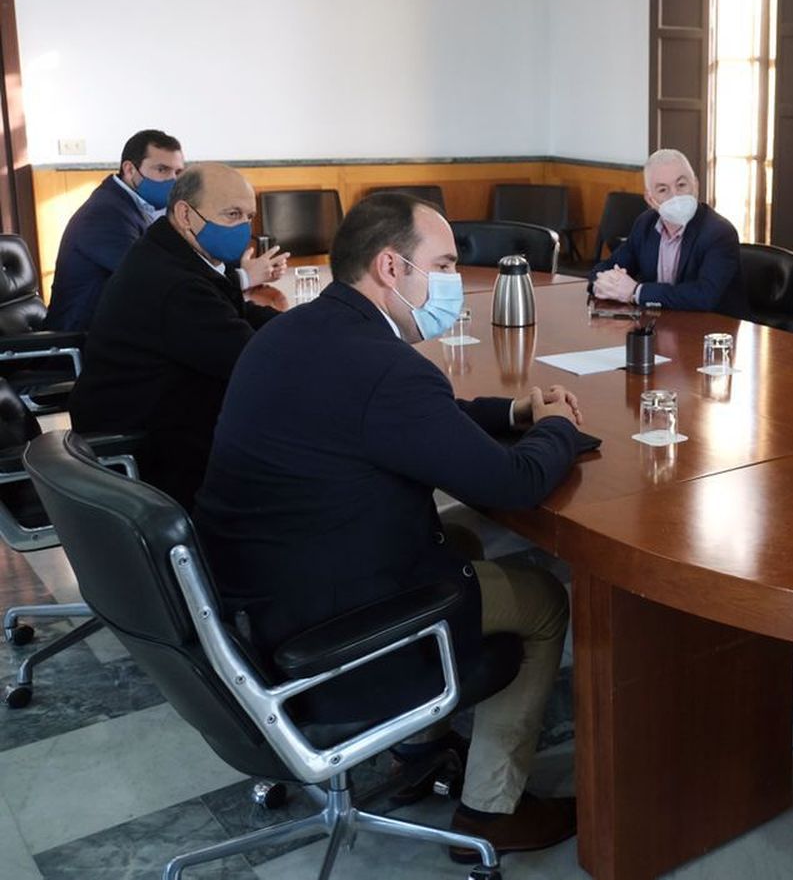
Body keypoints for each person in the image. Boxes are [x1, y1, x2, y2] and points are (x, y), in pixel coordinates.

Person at [194, 193, 584, 858]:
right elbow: (510, 482)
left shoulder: (296, 331)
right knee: (543, 597)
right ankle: (493, 809)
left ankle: (419, 741)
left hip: (260, 597)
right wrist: (557, 429)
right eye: (443, 263)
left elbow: (424, 415)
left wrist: (513, 410)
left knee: (458, 535)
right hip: (327, 628)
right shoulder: (386, 368)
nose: (453, 281)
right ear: (390, 268)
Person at [69, 163, 282, 509]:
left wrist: (305, 323)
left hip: (165, 413)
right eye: (231, 214)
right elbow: (251, 359)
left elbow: (239, 315)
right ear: (185, 214)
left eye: (248, 216)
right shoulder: (175, 283)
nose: (243, 228)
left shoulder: (177, 253)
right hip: (149, 443)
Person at [45, 130, 284, 331]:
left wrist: (239, 268)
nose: (173, 180)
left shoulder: (145, 207)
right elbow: (155, 281)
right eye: (162, 170)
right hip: (82, 333)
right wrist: (243, 277)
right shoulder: (104, 214)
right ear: (130, 170)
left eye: (178, 172)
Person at [588, 148, 747, 316]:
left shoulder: (719, 232)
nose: (675, 196)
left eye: (681, 185)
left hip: (714, 331)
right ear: (650, 199)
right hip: (664, 326)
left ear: (696, 186)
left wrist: (636, 291)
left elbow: (704, 296)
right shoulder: (645, 224)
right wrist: (601, 282)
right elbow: (608, 267)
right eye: (663, 190)